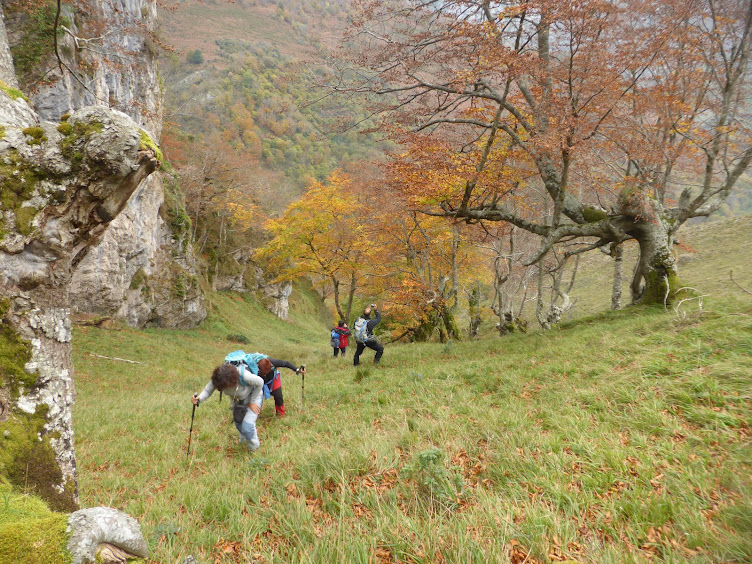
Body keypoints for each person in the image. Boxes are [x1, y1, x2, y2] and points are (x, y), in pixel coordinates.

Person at [191, 362, 264, 452]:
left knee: (247, 427)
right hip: (237, 402)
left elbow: (260, 382)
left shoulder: (243, 375)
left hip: (253, 398)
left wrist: (253, 402)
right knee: (239, 424)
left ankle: (254, 448)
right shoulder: (218, 378)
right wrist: (198, 399)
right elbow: (207, 390)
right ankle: (243, 442)